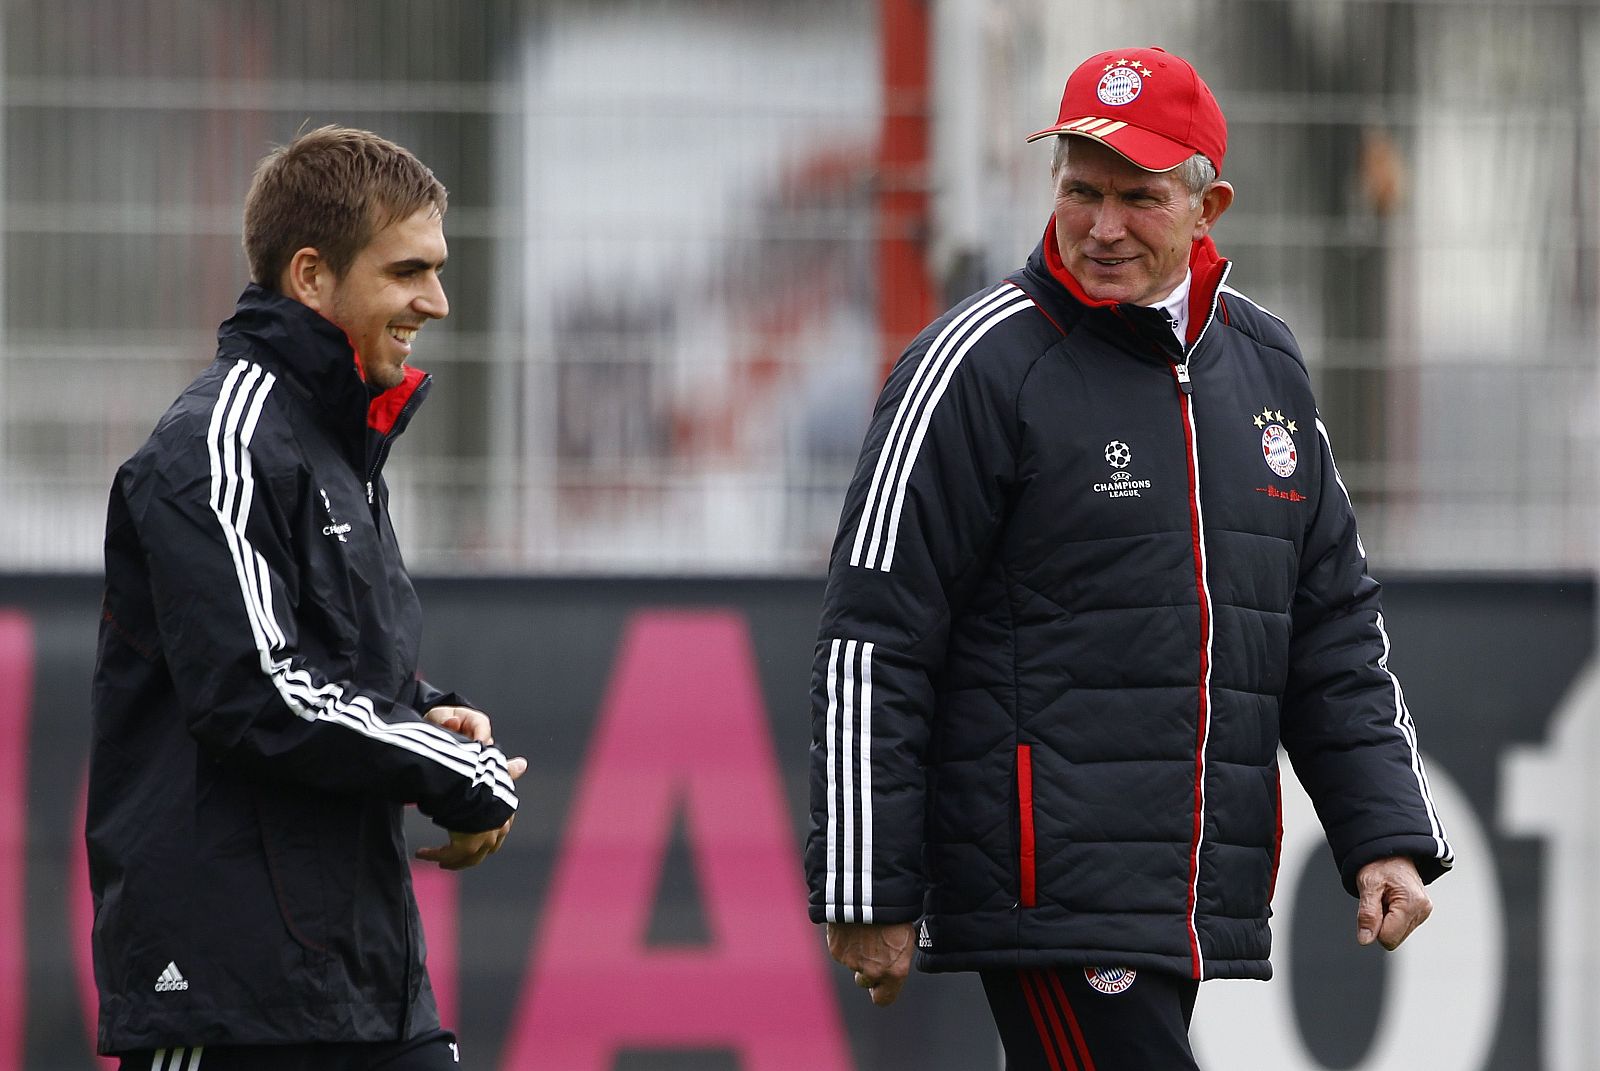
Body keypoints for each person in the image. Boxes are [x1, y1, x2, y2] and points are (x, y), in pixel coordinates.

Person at [806, 46, 1453, 1068]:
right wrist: (863, 881)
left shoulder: (1267, 365)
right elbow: (872, 639)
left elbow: (1329, 626)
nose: (1101, 226)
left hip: (1188, 895)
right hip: (1051, 891)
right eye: (1080, 191)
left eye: (1137, 198)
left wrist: (1383, 831)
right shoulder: (970, 366)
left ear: (1208, 207)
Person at [87, 126, 524, 1070]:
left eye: (438, 270)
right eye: (408, 271)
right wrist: (448, 772)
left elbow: (341, 668)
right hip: (232, 1003)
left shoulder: (335, 442)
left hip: (363, 987)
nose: (436, 302)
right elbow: (261, 689)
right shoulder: (216, 443)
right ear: (313, 275)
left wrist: (427, 711)